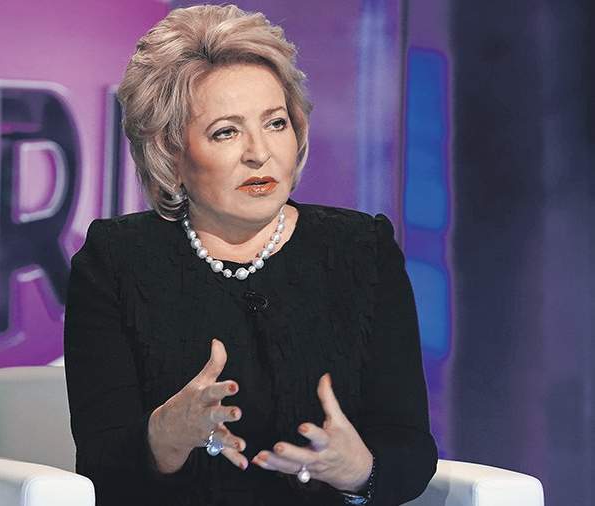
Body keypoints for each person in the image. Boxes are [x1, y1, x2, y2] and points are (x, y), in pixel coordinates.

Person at [63, 5, 437, 505]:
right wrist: (164, 436)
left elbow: (411, 447)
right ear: (170, 152)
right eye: (226, 131)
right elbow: (99, 466)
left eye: (276, 123)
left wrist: (357, 469)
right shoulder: (115, 261)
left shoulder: (362, 249)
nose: (259, 152)